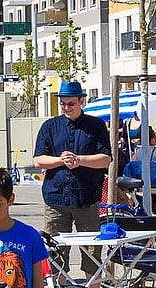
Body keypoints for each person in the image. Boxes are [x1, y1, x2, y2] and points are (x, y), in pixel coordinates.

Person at [33, 80, 112, 241]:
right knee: (54, 249)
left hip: (87, 198)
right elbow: (38, 160)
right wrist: (62, 160)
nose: (66, 108)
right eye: (63, 104)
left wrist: (79, 160)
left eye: (71, 104)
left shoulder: (96, 125)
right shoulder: (49, 126)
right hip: (56, 198)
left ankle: (91, 268)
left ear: (81, 101)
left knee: (92, 249)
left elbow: (105, 159)